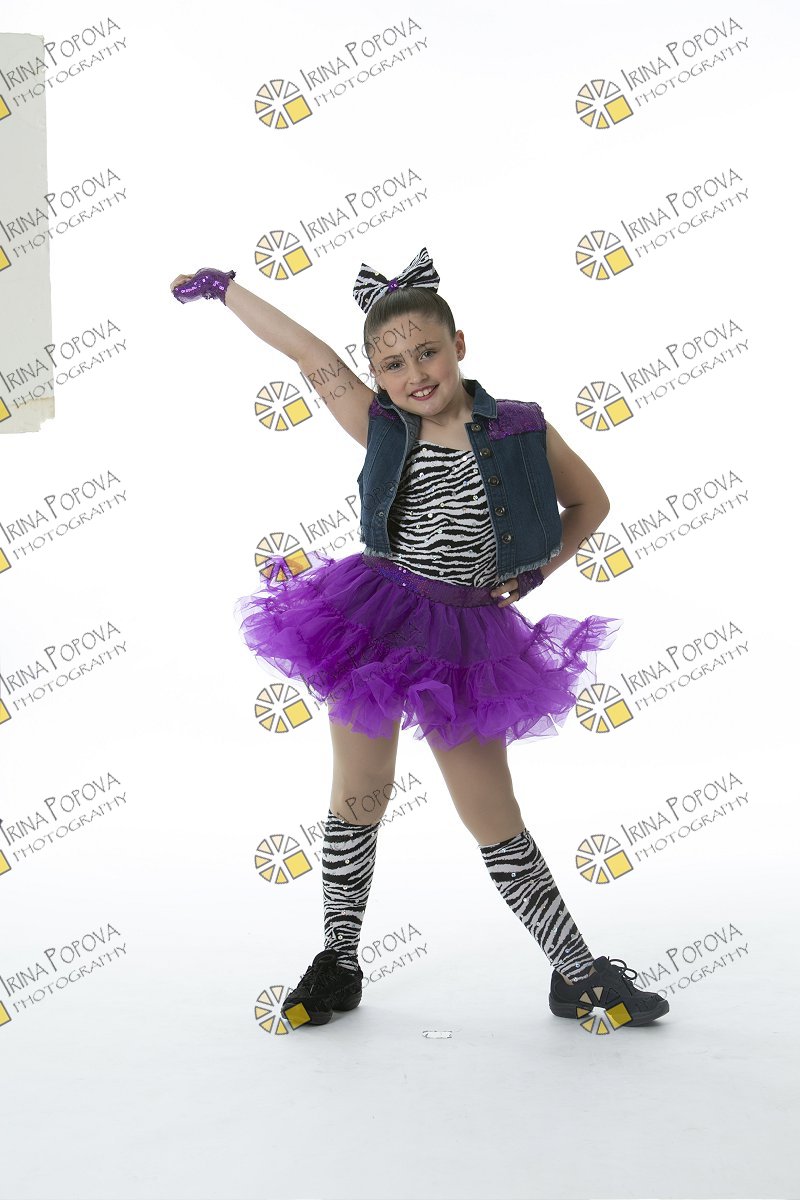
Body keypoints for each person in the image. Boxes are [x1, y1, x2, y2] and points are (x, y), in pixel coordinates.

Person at [170, 248, 669, 1031]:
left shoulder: (522, 427)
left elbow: (590, 504)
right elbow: (308, 354)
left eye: (427, 352)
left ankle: (576, 975)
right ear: (377, 373)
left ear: (459, 345)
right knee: (359, 795)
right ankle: (339, 961)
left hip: (468, 638)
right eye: (392, 364)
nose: (414, 374)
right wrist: (226, 289)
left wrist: (533, 577)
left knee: (492, 811)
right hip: (374, 621)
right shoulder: (381, 426)